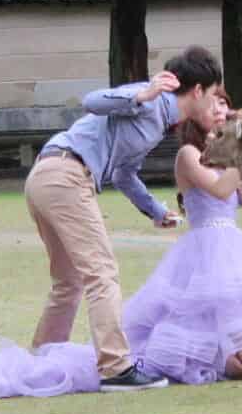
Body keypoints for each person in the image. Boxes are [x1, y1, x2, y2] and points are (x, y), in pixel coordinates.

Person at [0, 92, 242, 401]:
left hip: (235, 250)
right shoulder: (190, 154)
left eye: (225, 105)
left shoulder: (229, 160)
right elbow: (219, 190)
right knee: (89, 278)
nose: (221, 110)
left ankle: (206, 356)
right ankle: (120, 363)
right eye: (214, 102)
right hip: (205, 251)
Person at [16, 46, 224, 392]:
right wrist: (142, 94)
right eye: (214, 94)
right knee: (102, 274)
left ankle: (43, 362)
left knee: (69, 282)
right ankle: (116, 368)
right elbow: (92, 101)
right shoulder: (152, 99)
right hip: (66, 175)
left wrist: (156, 211)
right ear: (198, 90)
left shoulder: (160, 122)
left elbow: (124, 174)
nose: (216, 103)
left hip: (50, 175)